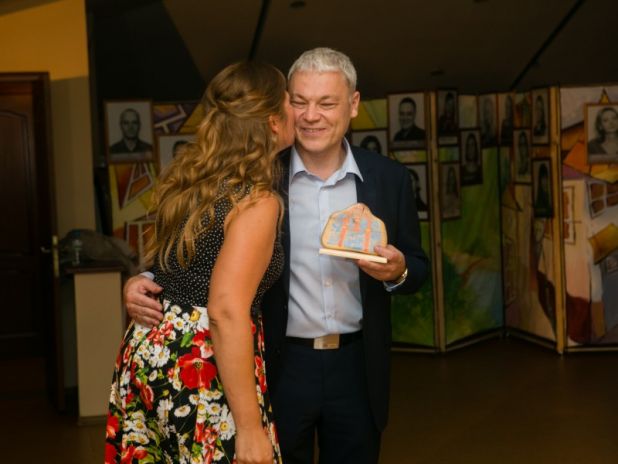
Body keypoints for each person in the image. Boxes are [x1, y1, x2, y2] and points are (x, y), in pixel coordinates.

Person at [124, 47, 429, 464]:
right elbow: (196, 247)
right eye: (299, 101)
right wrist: (144, 280)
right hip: (279, 365)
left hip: (357, 367)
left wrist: (399, 270)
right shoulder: (258, 174)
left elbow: (418, 268)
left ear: (354, 104)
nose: (311, 116)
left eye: (326, 103)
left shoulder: (388, 178)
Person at [105, 61, 295, 464]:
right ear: (273, 122)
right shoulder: (256, 200)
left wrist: (139, 279)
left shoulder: (194, 181)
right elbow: (225, 309)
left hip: (151, 350)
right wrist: (249, 429)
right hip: (201, 363)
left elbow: (176, 265)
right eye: (290, 101)